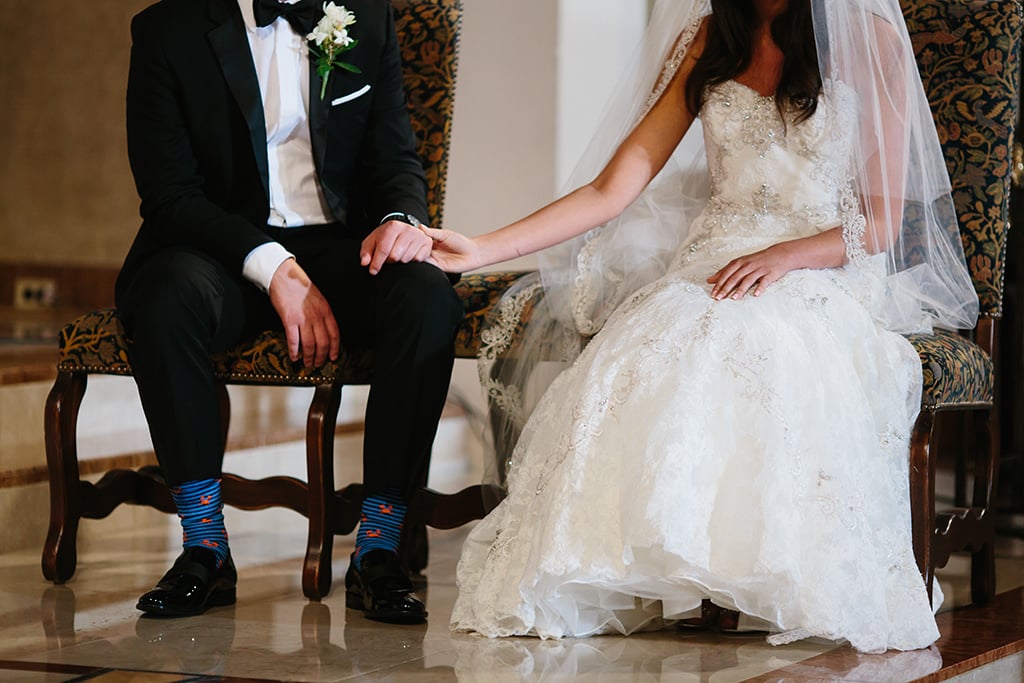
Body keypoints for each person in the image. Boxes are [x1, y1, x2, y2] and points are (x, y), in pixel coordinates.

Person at [405, 0, 979, 653]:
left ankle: (746, 574)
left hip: (825, 261)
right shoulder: (713, 36)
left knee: (760, 339)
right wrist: (481, 247)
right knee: (655, 339)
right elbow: (610, 190)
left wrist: (781, 257)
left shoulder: (866, 38)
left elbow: (878, 222)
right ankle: (672, 569)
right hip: (715, 260)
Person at [117, 0, 463, 623]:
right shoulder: (166, 29)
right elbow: (170, 196)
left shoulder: (366, 17)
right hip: (221, 249)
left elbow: (396, 159)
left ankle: (377, 551)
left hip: (340, 245)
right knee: (165, 296)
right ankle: (206, 551)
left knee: (427, 295)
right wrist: (273, 267)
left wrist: (397, 222)